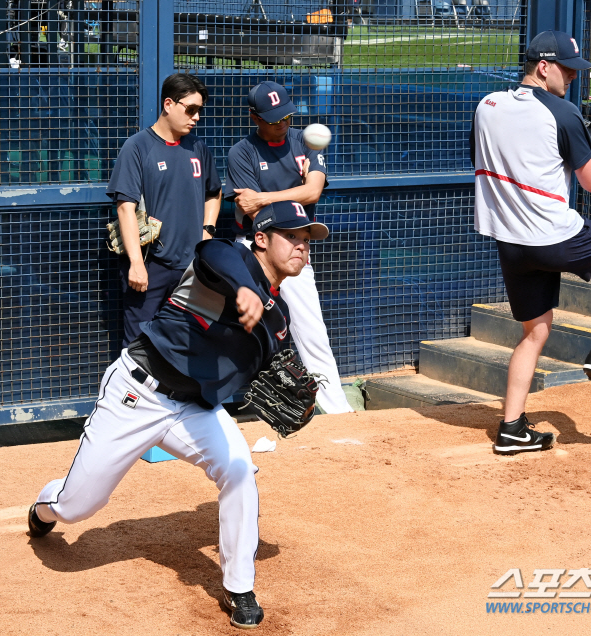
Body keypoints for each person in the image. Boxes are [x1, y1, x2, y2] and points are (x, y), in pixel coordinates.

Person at [27, 201, 329, 630]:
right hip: (136, 393)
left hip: (194, 409)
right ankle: (44, 509)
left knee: (240, 469)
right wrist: (247, 290)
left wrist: (300, 395)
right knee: (78, 506)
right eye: (292, 236)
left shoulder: (278, 317)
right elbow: (214, 255)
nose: (302, 246)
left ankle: (239, 586)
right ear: (261, 238)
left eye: (307, 240)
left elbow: (268, 369)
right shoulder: (230, 258)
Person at [469, 30, 591, 455]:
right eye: (567, 69)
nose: (573, 78)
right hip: (551, 234)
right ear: (543, 67)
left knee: (534, 333)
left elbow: (483, 158)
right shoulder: (564, 113)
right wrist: (590, 147)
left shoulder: (486, 106)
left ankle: (511, 429)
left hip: (509, 241)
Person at [225, 81, 353, 414]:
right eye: (273, 118)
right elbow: (251, 211)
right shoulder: (242, 152)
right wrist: (294, 191)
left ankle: (339, 414)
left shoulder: (304, 141)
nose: (282, 123)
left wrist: (268, 196)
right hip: (254, 250)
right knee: (240, 332)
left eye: (286, 115)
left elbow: (311, 193)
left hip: (295, 247)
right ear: (254, 117)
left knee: (312, 332)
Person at [106, 73, 222, 348]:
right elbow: (125, 207)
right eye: (190, 109)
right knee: (138, 344)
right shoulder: (138, 146)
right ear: (169, 104)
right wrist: (135, 263)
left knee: (186, 343)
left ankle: (175, 393)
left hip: (191, 266)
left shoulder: (198, 148)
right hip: (151, 264)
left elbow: (214, 193)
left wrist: (207, 231)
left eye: (199, 111)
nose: (196, 117)